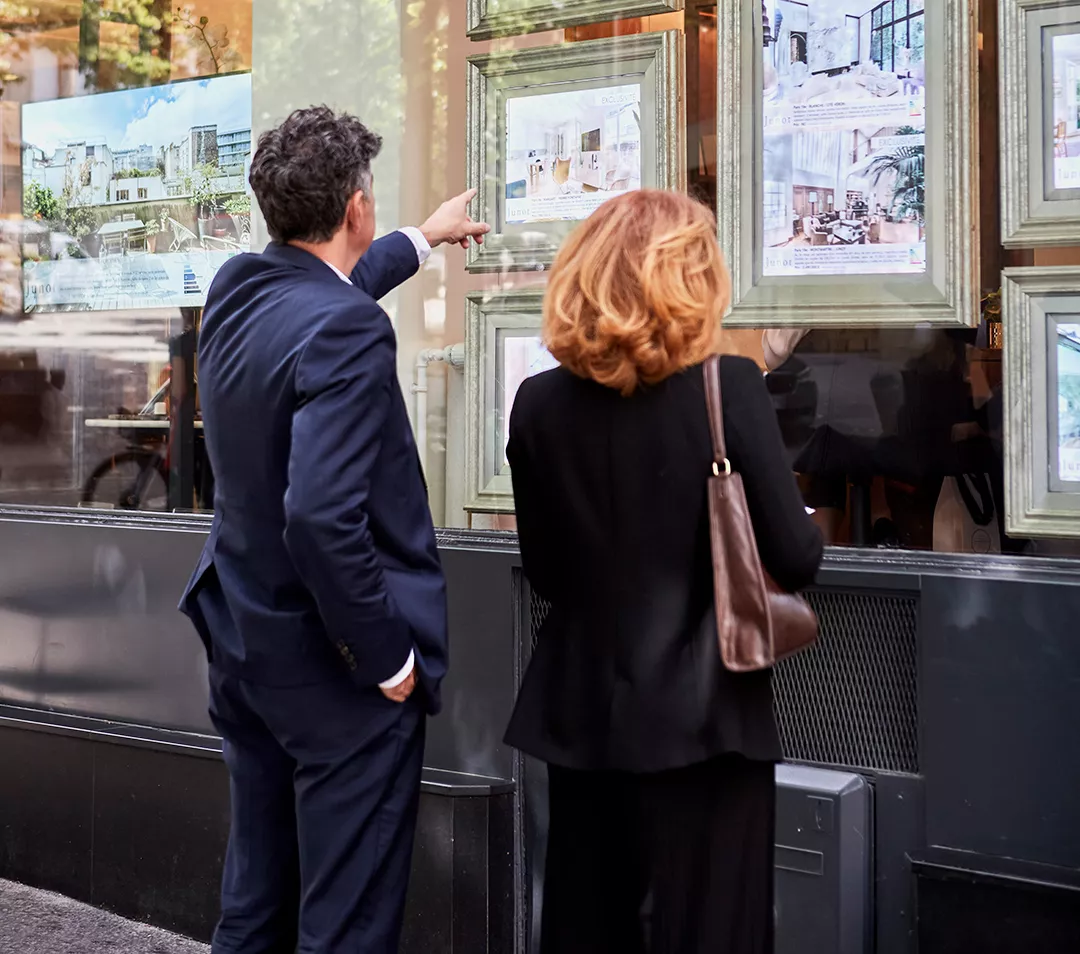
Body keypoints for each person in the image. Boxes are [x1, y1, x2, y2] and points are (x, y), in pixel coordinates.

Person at [179, 105, 488, 954]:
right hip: (337, 671)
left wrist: (420, 241)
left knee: (256, 903)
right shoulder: (348, 328)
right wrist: (387, 658)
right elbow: (319, 517)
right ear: (355, 207)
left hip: (246, 646)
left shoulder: (238, 289)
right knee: (344, 924)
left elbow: (325, 294)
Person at [505, 190, 824, 954]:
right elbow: (795, 557)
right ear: (691, 279)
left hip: (581, 714)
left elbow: (546, 572)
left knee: (587, 927)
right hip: (707, 720)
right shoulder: (729, 388)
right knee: (711, 930)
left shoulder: (538, 403)